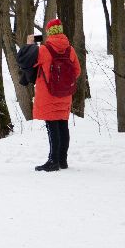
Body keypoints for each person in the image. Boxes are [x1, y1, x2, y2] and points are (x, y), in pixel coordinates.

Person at [32, 18, 81, 172]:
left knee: (52, 127)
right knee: (63, 126)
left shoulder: (44, 50)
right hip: (65, 94)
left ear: (49, 33)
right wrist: (64, 82)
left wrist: (31, 43)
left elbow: (31, 64)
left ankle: (53, 161)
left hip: (48, 94)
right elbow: (77, 71)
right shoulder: (70, 50)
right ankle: (62, 160)